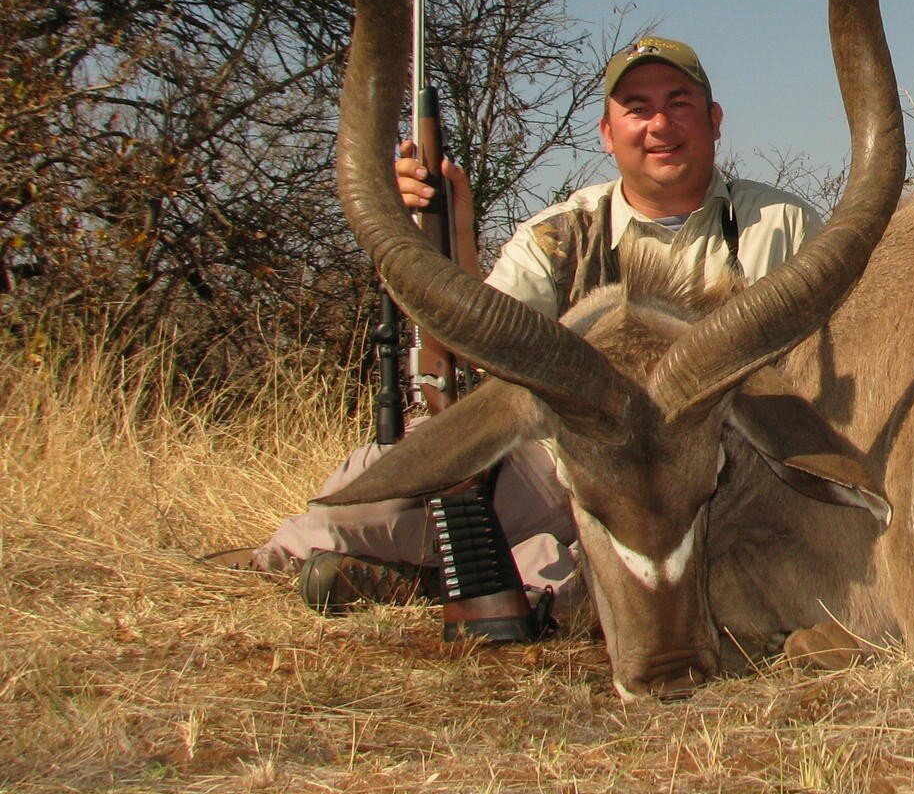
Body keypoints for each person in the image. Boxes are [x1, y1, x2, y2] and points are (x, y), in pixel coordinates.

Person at [213, 35, 821, 618]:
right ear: (609, 136)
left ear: (714, 120)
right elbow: (469, 353)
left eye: (678, 104)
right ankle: (327, 565)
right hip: (566, 472)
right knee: (367, 494)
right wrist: (441, 238)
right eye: (637, 109)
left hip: (715, 480)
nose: (660, 125)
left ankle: (478, 585)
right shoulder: (558, 235)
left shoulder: (784, 225)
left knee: (642, 574)